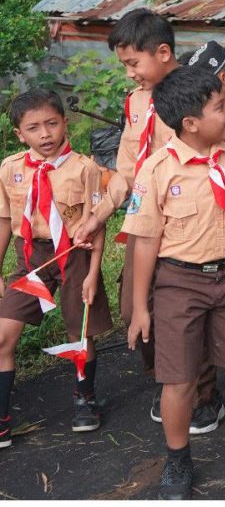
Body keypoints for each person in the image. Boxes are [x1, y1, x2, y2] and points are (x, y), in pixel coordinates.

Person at [122, 67, 225, 500]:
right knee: (179, 381)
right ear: (190, 123)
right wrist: (141, 307)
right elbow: (144, 244)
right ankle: (177, 457)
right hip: (179, 282)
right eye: (219, 108)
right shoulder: (157, 170)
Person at [108, 9, 225, 430]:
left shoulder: (198, 92)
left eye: (133, 63)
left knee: (195, 313)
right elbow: (127, 168)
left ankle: (204, 393)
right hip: (146, 226)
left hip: (192, 228)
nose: (130, 74)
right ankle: (170, 380)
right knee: (133, 311)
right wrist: (100, 211)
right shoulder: (137, 102)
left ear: (162, 52)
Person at [0, 89, 126, 447]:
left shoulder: (84, 168)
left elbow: (95, 224)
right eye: (34, 128)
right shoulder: (10, 169)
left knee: (79, 332)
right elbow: (5, 219)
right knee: (3, 334)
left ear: (65, 123)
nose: (45, 134)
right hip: (31, 258)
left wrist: (91, 273)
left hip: (75, 257)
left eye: (52, 124)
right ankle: (2, 419)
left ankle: (84, 398)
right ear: (19, 134)